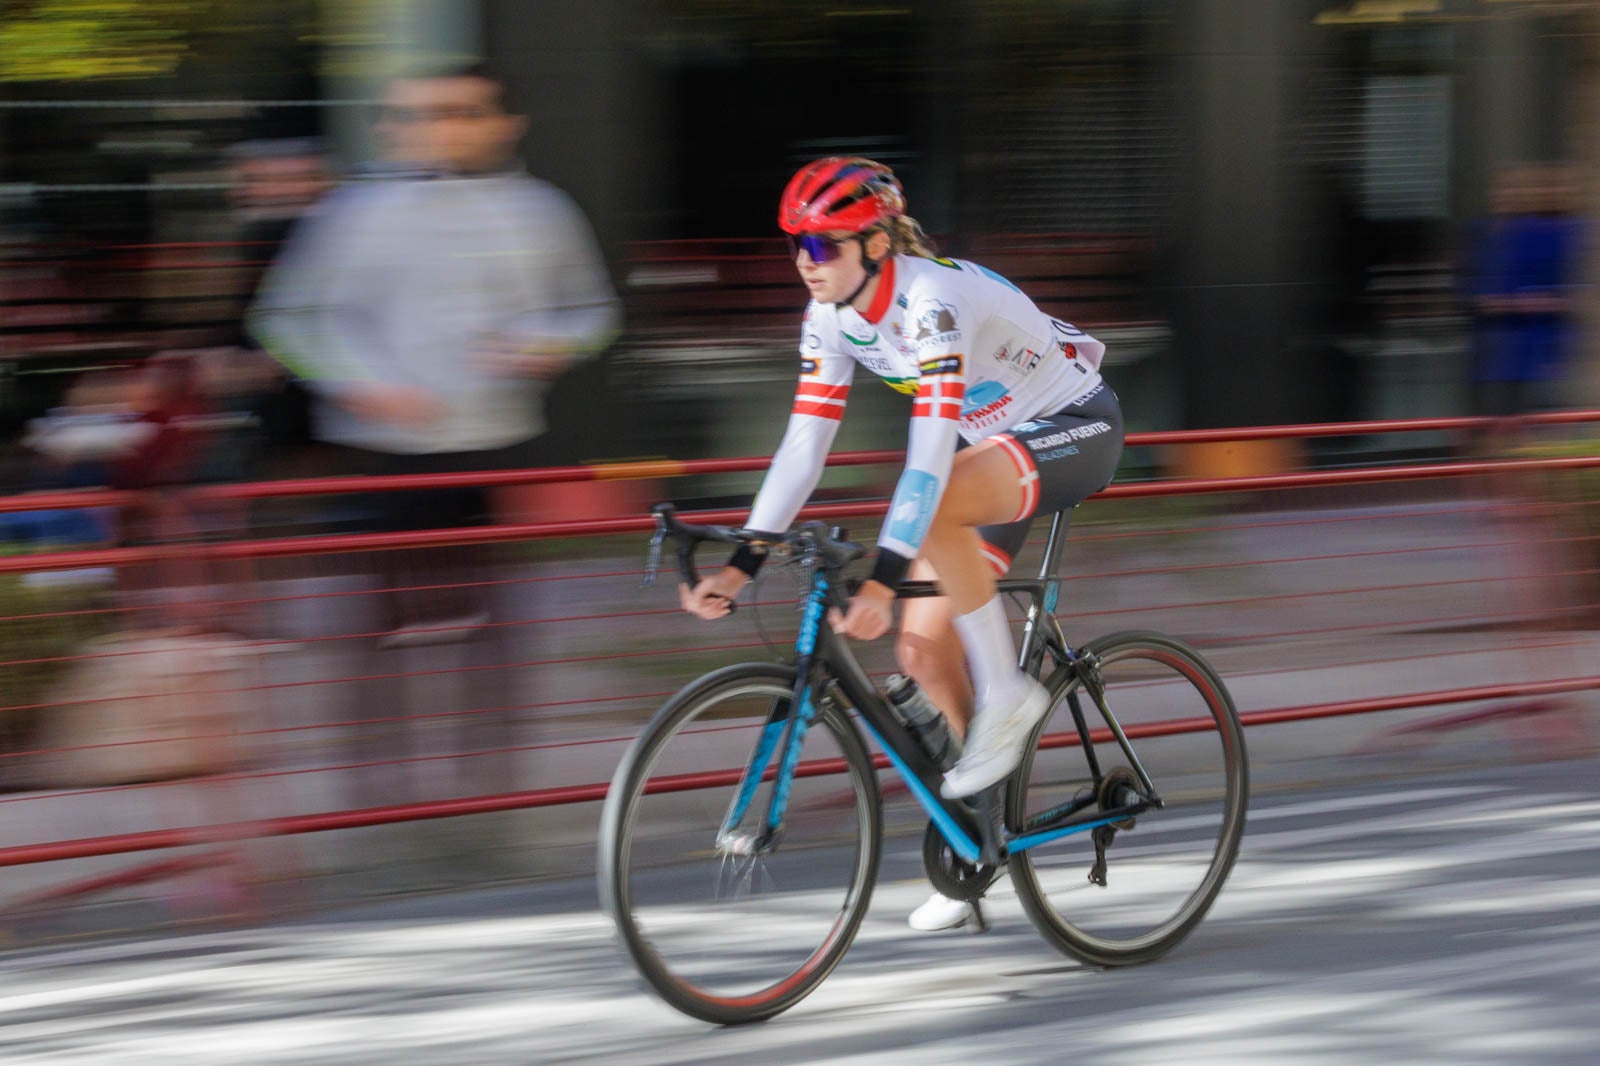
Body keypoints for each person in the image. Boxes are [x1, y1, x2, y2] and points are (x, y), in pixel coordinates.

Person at [680, 157, 1124, 930]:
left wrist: (884, 578)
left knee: (939, 496)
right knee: (920, 651)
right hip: (990, 454)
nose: (805, 262)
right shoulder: (830, 317)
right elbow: (803, 449)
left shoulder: (932, 303)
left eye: (822, 246)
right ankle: (979, 838)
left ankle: (1007, 694)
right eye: (795, 245)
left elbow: (927, 455)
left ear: (877, 244)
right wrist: (742, 563)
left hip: (1073, 428)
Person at [248, 62, 621, 801]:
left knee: (494, 626)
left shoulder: (543, 211)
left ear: (505, 123)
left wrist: (549, 344)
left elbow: (594, 312)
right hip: (379, 452)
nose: (434, 128)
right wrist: (356, 383)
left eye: (459, 111)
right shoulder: (349, 211)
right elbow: (282, 318)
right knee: (375, 627)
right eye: (415, 114)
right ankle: (372, 790)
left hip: (498, 443)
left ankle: (490, 784)